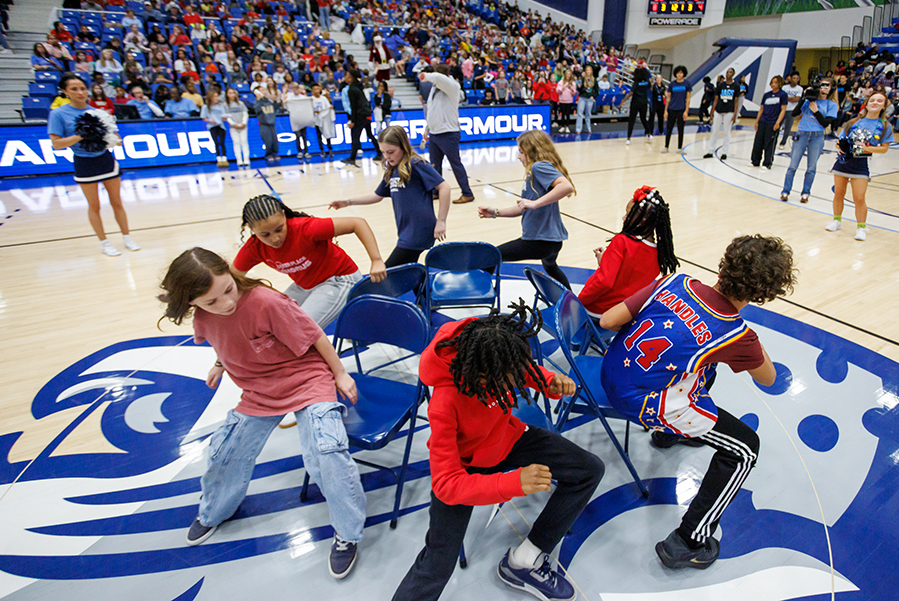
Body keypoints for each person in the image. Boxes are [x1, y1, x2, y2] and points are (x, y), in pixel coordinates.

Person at [158, 248, 366, 579]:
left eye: (227, 290)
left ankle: (348, 534)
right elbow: (223, 340)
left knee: (326, 454)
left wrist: (340, 373)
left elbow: (314, 337)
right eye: (212, 302)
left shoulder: (266, 301)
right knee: (224, 452)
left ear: (229, 272)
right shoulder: (203, 316)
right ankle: (215, 511)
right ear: (192, 303)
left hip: (306, 380)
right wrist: (218, 365)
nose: (225, 303)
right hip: (258, 391)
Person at [599, 235, 796, 570]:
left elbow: (607, 320)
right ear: (764, 294)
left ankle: (671, 433)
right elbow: (769, 378)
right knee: (745, 448)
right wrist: (751, 344)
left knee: (706, 368)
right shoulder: (737, 334)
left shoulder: (675, 281)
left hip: (613, 372)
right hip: (642, 399)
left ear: (725, 264)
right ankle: (689, 540)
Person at [391, 302, 603, 601]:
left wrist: (547, 381)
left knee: (589, 470)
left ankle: (525, 561)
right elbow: (445, 484)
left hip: (508, 438)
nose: (517, 381)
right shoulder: (444, 402)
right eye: (509, 379)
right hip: (465, 467)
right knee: (438, 562)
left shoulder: (490, 350)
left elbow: (519, 366)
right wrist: (513, 483)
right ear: (479, 378)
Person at [234, 195, 386, 329]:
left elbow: (357, 223)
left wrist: (376, 260)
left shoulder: (305, 228)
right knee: (272, 319)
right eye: (265, 234)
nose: (275, 238)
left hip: (339, 279)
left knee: (299, 330)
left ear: (283, 215)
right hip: (306, 285)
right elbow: (232, 278)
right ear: (251, 229)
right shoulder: (254, 248)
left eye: (279, 229)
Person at [47, 74, 140, 257]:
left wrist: (112, 138)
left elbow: (117, 138)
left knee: (117, 202)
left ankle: (127, 237)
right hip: (84, 163)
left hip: (105, 159)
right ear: (65, 91)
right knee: (94, 205)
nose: (80, 92)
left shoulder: (98, 112)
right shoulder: (58, 114)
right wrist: (81, 135)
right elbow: (56, 144)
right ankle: (104, 243)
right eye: (74, 89)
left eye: (82, 88)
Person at [330, 126, 450, 267]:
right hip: (406, 231)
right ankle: (421, 288)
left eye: (391, 152)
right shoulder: (392, 169)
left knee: (388, 273)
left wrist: (441, 221)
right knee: (406, 271)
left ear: (403, 146)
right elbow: (377, 195)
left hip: (419, 230)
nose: (387, 156)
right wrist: (348, 202)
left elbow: (444, 187)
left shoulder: (415, 164)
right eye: (383, 152)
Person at [477, 130, 575, 288]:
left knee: (491, 256)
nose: (518, 156)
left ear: (532, 151)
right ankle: (571, 302)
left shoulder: (538, 167)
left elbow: (566, 186)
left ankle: (479, 293)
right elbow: (525, 207)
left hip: (539, 241)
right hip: (553, 241)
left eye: (521, 152)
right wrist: (495, 212)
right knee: (550, 267)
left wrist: (534, 203)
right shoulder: (535, 172)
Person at [579, 186, 677, 317]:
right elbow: (628, 277)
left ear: (642, 220)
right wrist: (605, 261)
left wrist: (579, 302)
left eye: (628, 214)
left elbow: (604, 281)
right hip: (622, 316)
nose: (623, 218)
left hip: (597, 311)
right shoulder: (660, 253)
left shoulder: (622, 241)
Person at [825, 90, 894, 241]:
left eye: (879, 101)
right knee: (838, 193)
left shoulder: (885, 126)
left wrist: (865, 148)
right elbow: (839, 141)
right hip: (844, 161)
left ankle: (861, 228)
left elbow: (884, 148)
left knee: (859, 198)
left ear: (884, 106)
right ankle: (837, 220)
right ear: (867, 104)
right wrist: (843, 146)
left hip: (861, 163)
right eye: (872, 100)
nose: (875, 103)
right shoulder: (853, 122)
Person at [421, 64, 474, 203]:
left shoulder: (453, 86)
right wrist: (427, 128)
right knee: (434, 166)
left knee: (455, 164)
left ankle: (467, 193)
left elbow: (438, 77)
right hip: (435, 133)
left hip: (448, 133)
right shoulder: (434, 88)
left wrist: (425, 75)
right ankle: (436, 191)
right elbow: (433, 111)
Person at [780, 76, 838, 203]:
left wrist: (816, 111)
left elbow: (825, 123)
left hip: (817, 136)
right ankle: (785, 191)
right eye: (821, 85)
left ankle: (805, 193)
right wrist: (803, 98)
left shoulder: (831, 105)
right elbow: (794, 114)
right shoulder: (809, 100)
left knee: (811, 167)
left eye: (827, 85)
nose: (823, 88)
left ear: (832, 88)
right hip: (802, 133)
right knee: (792, 165)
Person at [341, 69, 383, 166]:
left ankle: (352, 158)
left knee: (355, 136)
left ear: (351, 77)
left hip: (360, 115)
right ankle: (379, 153)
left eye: (347, 75)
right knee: (370, 134)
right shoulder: (359, 86)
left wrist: (352, 120)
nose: (345, 77)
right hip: (367, 114)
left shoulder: (351, 89)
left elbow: (354, 106)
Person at [749, 75, 787, 169]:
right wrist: (757, 121)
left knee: (769, 143)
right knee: (758, 142)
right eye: (772, 82)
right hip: (763, 121)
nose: (773, 84)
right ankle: (755, 161)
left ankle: (767, 163)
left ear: (780, 84)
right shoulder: (766, 95)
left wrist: (778, 122)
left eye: (775, 82)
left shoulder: (783, 95)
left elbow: (783, 110)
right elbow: (761, 109)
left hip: (772, 122)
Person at [709, 68, 740, 160]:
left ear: (733, 74)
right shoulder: (720, 85)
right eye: (727, 72)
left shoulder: (736, 86)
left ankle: (724, 152)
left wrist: (735, 114)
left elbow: (736, 101)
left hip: (729, 111)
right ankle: (711, 151)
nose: (728, 74)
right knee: (715, 131)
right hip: (718, 110)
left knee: (727, 132)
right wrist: (712, 111)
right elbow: (716, 99)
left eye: (730, 72)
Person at [283, 82, 317, 161]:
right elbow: (285, 106)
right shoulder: (290, 98)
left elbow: (310, 103)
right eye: (294, 89)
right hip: (295, 120)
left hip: (303, 119)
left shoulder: (303, 97)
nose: (296, 91)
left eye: (297, 89)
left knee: (304, 136)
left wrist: (310, 99)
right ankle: (299, 151)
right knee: (298, 136)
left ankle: (306, 151)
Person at [663, 66, 691, 152]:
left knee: (680, 129)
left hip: (681, 109)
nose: (679, 74)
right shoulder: (672, 84)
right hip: (672, 109)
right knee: (669, 129)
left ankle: (679, 148)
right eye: (678, 73)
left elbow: (688, 98)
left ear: (684, 74)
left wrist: (686, 111)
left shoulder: (687, 84)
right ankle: (666, 147)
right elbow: (668, 98)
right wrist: (666, 111)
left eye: (681, 73)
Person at [626, 60, 652, 145]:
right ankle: (649, 134)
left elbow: (631, 93)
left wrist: (623, 100)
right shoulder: (647, 82)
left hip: (635, 102)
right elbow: (650, 86)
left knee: (632, 120)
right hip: (644, 102)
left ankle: (628, 138)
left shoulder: (636, 82)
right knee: (643, 118)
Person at [224, 87, 251, 169]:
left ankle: (246, 159)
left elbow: (245, 113)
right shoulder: (225, 105)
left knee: (244, 141)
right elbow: (226, 116)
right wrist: (233, 124)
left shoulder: (241, 103)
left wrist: (243, 123)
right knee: (236, 142)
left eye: (233, 93)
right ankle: (239, 159)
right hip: (233, 127)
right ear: (227, 95)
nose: (232, 94)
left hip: (243, 126)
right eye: (230, 93)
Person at [253, 87, 280, 163]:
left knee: (275, 140)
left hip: (272, 124)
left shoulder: (268, 101)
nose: (264, 92)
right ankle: (268, 155)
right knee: (268, 141)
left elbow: (274, 108)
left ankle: (275, 154)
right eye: (261, 90)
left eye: (264, 90)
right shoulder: (257, 102)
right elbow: (257, 110)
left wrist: (276, 101)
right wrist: (258, 99)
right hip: (264, 124)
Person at [779, 72, 803, 145]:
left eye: (797, 78)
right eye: (794, 78)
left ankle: (783, 142)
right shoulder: (785, 87)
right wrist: (791, 98)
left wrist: (787, 98)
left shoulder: (799, 89)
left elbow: (797, 99)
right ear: (790, 78)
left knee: (788, 127)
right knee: (777, 125)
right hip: (782, 109)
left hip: (792, 110)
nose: (795, 80)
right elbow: (782, 97)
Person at [311, 83, 334, 157]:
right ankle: (322, 150)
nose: (316, 91)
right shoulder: (311, 99)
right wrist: (314, 112)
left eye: (318, 89)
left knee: (327, 134)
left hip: (324, 119)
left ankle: (330, 149)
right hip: (317, 119)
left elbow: (328, 107)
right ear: (312, 91)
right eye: (315, 89)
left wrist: (330, 107)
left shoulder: (323, 99)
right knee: (319, 135)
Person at [575, 66, 598, 134]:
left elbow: (597, 90)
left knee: (588, 114)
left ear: (591, 71)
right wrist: (578, 87)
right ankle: (578, 129)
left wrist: (593, 96)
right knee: (580, 113)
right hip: (582, 97)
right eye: (587, 70)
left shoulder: (594, 80)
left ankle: (588, 128)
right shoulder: (582, 79)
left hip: (589, 99)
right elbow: (579, 89)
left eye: (589, 70)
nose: (588, 72)